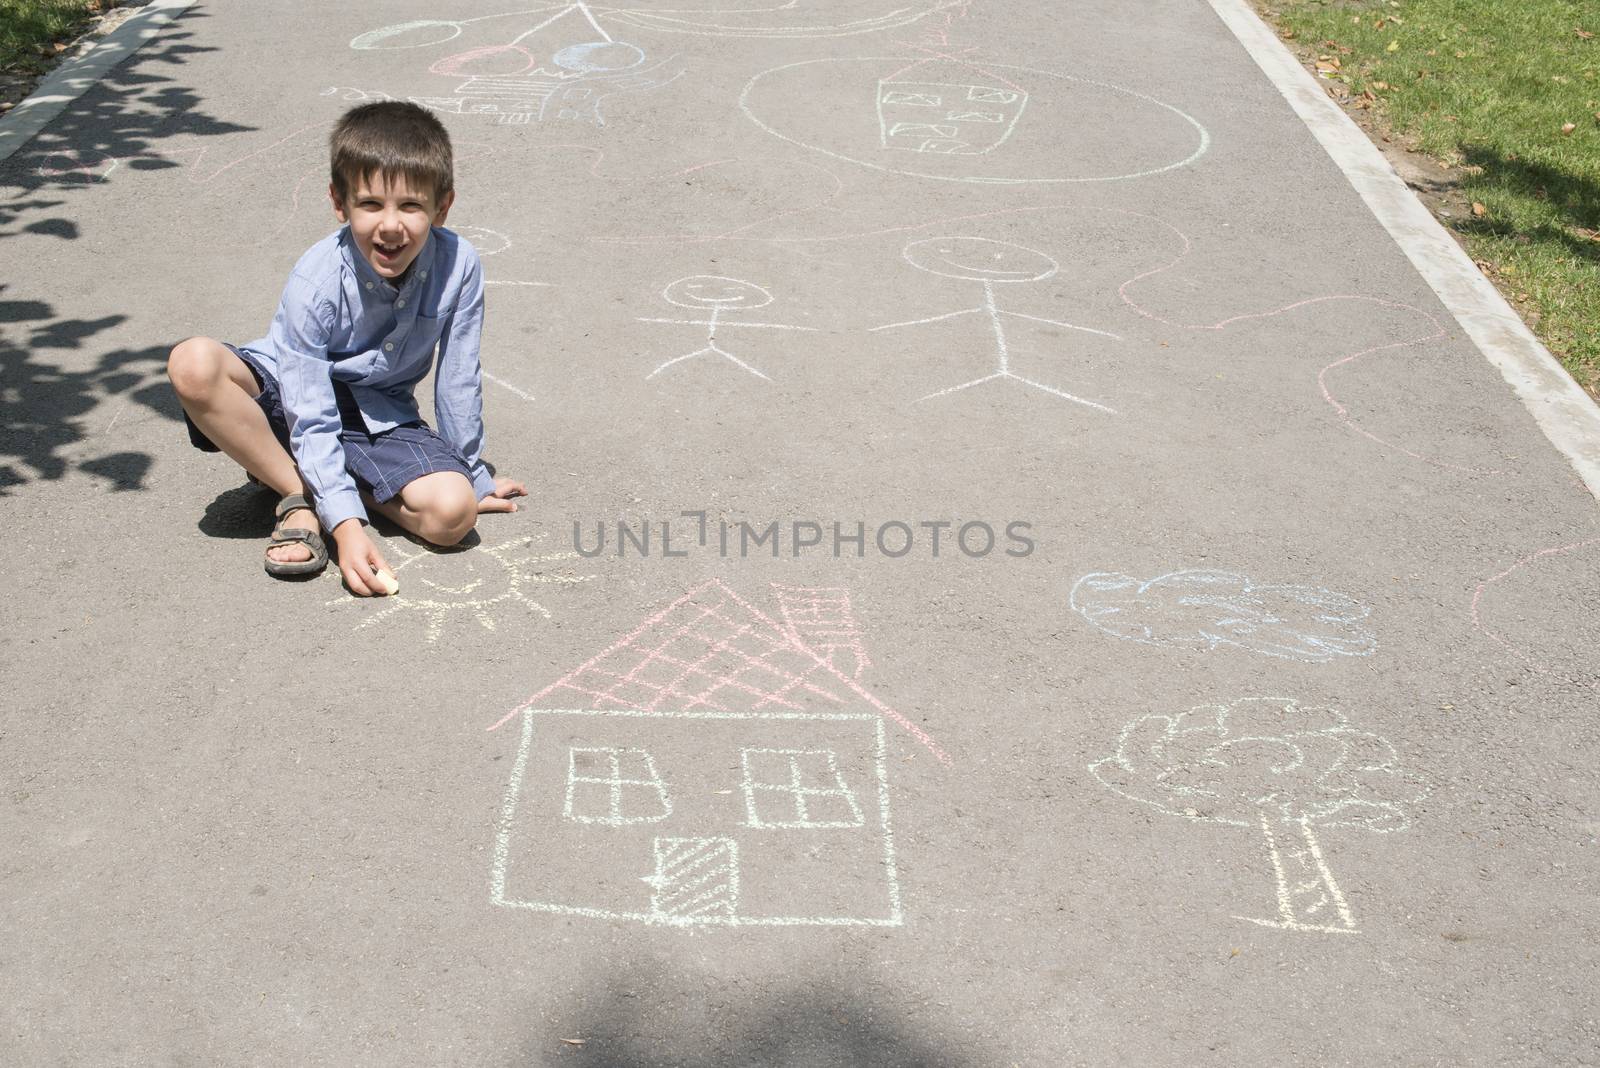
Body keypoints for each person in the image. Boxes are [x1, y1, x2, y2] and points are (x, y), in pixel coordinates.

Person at [167, 101, 524, 596]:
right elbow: (308, 409)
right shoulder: (316, 280)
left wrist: (472, 471)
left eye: (412, 206)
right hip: (287, 397)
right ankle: (300, 496)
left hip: (377, 416)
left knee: (453, 515)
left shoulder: (459, 264)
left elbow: (458, 375)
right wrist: (347, 529)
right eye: (371, 205)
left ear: (442, 207)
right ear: (340, 203)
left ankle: (324, 484)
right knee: (193, 362)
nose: (391, 226)